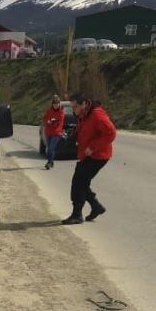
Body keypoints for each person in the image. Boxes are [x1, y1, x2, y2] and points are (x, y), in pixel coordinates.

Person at [62, 93, 117, 225]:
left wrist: (92, 147)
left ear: (84, 103)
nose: (73, 109)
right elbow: (82, 129)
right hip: (88, 155)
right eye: (72, 107)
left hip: (97, 155)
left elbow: (111, 133)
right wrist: (72, 136)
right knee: (81, 182)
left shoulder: (97, 115)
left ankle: (77, 215)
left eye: (75, 107)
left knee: (78, 183)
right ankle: (96, 206)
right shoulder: (83, 115)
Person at [42, 95, 65, 169]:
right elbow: (44, 119)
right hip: (48, 132)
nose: (56, 105)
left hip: (56, 133)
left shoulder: (61, 112)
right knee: (49, 148)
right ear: (52, 104)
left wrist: (53, 123)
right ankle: (51, 161)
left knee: (51, 148)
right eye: (54, 104)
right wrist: (48, 121)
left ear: (59, 104)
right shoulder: (49, 111)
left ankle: (49, 162)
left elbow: (60, 123)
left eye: (57, 103)